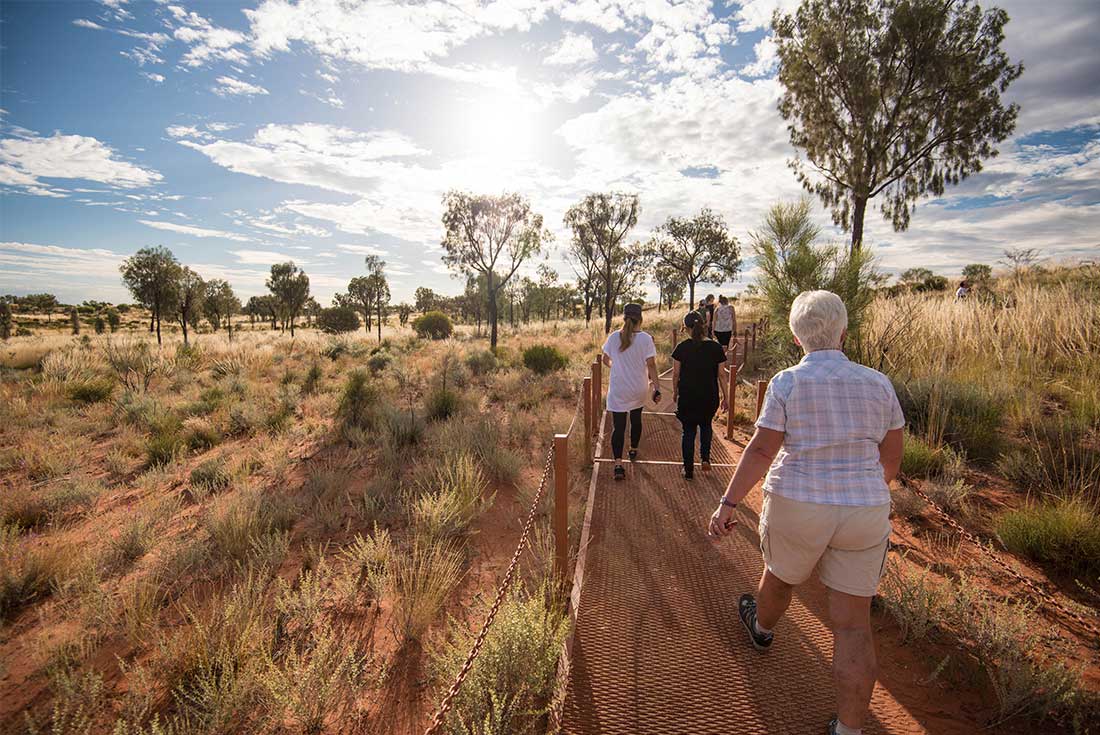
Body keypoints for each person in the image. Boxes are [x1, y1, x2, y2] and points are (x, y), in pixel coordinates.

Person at [707, 290, 904, 735]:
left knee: (780, 575)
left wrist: (728, 503)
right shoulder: (879, 384)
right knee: (853, 624)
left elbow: (761, 450)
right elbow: (890, 461)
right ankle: (849, 729)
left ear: (798, 339)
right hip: (864, 509)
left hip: (798, 502)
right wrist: (858, 492)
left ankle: (761, 627)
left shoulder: (787, 383)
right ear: (844, 332)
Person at [602, 303, 660, 481]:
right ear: (640, 319)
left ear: (624, 318)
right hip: (638, 388)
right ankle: (633, 449)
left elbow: (605, 359)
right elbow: (651, 365)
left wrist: (617, 366)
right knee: (636, 419)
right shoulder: (646, 339)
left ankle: (618, 465)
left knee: (618, 427)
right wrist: (657, 388)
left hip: (619, 389)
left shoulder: (613, 338)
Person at [672, 311, 729, 479]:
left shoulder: (681, 348)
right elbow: (722, 375)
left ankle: (688, 469)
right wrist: (726, 397)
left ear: (685, 327)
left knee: (688, 431)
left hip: (688, 396)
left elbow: (676, 374)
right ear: (704, 325)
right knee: (706, 425)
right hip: (709, 395)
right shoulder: (716, 347)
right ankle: (705, 458)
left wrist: (675, 391)